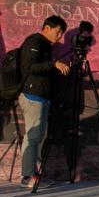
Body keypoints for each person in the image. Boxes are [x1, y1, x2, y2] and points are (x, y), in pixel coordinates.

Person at [17, 15, 70, 186]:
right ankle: (27, 176)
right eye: (58, 31)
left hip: (42, 97)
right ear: (46, 27)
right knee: (33, 136)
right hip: (32, 96)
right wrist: (53, 64)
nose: (59, 36)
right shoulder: (35, 42)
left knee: (39, 136)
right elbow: (30, 67)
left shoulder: (46, 46)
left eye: (62, 33)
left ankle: (35, 174)